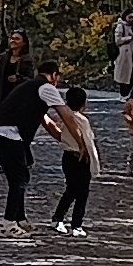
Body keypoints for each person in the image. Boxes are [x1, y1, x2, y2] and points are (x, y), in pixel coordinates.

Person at [0, 59, 41, 235]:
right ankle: (8, 223)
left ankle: (19, 218)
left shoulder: (28, 88)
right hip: (7, 133)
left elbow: (46, 121)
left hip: (3, 131)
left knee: (20, 177)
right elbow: (64, 114)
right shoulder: (45, 89)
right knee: (19, 179)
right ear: (55, 76)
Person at [40, 67, 99, 235]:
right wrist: (94, 164)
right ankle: (76, 224)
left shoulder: (64, 118)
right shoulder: (82, 120)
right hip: (80, 158)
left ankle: (58, 218)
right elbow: (88, 141)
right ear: (83, 104)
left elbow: (58, 132)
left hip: (67, 156)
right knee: (82, 193)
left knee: (71, 189)